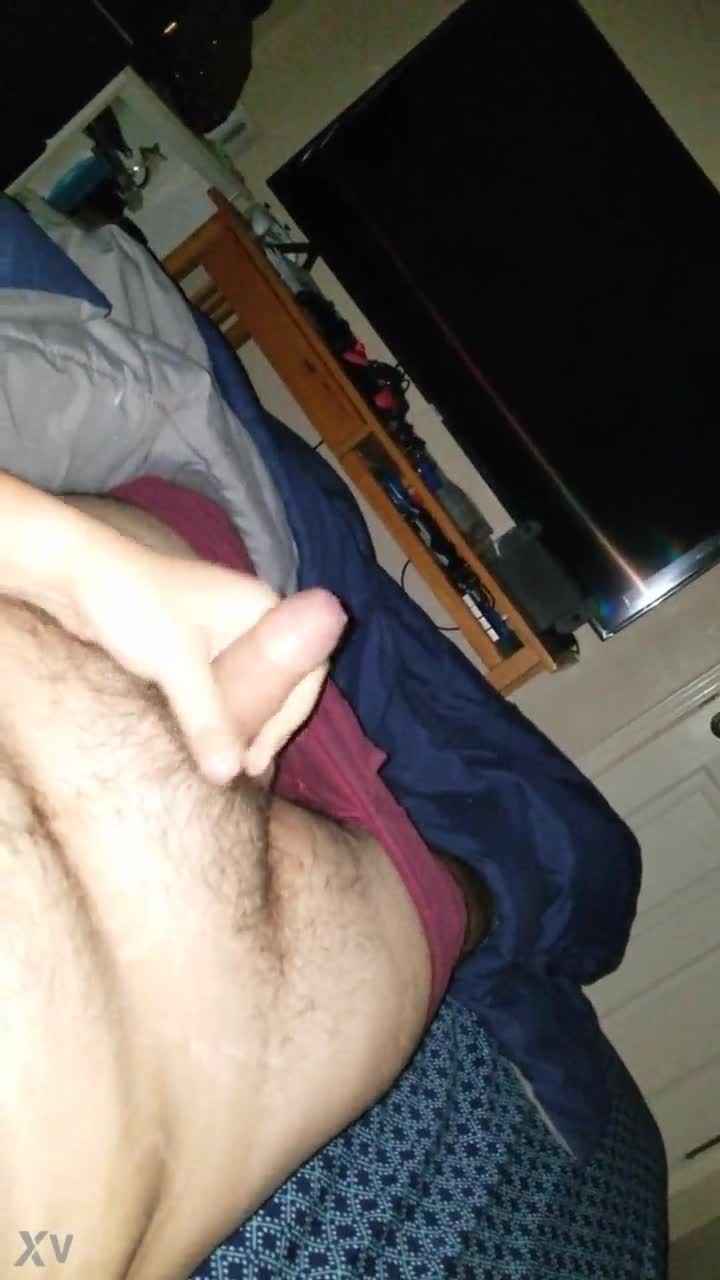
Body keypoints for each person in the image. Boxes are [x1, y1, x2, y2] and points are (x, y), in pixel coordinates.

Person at [1, 470, 496, 1279]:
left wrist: (60, 558)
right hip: (323, 979)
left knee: (465, 890)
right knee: (468, 898)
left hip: (158, 615)